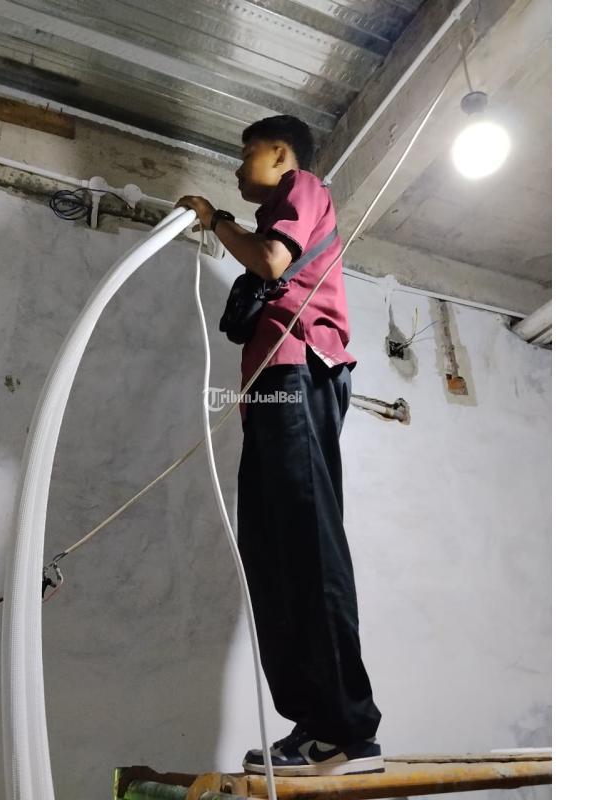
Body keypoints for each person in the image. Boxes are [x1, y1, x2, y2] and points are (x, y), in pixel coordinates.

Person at [176, 115, 382, 777]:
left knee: (307, 542)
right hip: (268, 393)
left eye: (246, 156)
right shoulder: (273, 215)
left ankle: (348, 731)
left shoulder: (303, 187)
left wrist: (215, 220)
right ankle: (315, 726)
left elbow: (271, 259)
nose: (239, 170)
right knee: (271, 556)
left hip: (298, 373)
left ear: (279, 152)